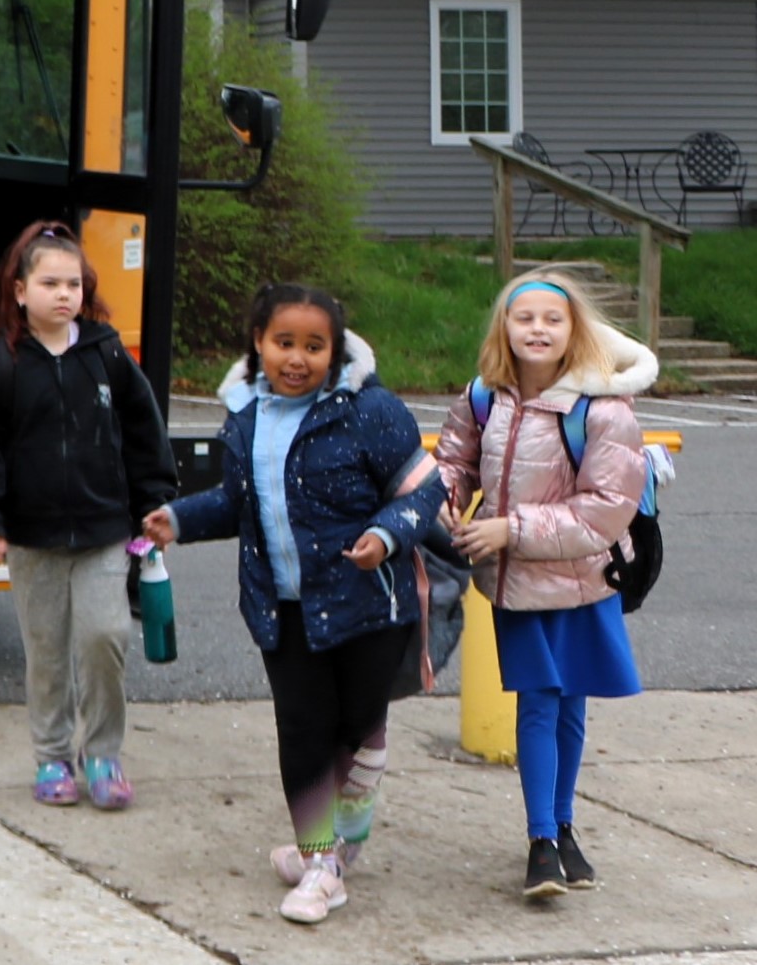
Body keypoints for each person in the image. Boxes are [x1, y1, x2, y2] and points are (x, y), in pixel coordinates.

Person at [142, 283, 445, 925]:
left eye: (314, 346)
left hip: (368, 607)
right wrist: (179, 518)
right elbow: (236, 503)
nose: (297, 358)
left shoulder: (370, 411)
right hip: (282, 612)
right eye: (284, 343)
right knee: (303, 733)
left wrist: (386, 534)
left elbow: (424, 491)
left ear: (335, 352)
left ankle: (344, 840)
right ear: (258, 344)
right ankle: (321, 863)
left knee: (359, 733)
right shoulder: (245, 415)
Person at [436, 268, 653, 899]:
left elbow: (607, 506)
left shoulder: (603, 408)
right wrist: (446, 498)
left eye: (552, 319)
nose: (537, 329)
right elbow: (455, 460)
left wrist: (511, 528)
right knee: (538, 700)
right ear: (503, 326)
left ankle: (563, 827)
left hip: (584, 577)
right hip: (518, 585)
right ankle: (540, 842)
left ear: (574, 330)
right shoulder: (483, 396)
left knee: (570, 703)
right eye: (523, 316)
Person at [0, 220, 178, 811]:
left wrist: (155, 502)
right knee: (47, 652)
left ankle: (103, 753)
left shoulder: (106, 355)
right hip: (32, 538)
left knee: (105, 637)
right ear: (19, 292)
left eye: (73, 284)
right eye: (49, 282)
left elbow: (144, 433)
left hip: (105, 531)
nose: (63, 294)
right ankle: (52, 756)